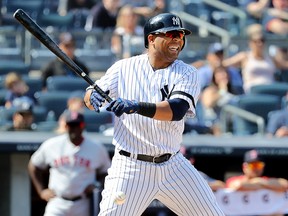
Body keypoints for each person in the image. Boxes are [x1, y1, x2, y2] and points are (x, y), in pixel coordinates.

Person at [84, 13, 225, 215]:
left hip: (173, 165)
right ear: (151, 38)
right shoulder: (123, 68)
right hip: (130, 166)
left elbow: (176, 110)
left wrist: (136, 106)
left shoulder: (187, 72)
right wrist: (91, 97)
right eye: (171, 34)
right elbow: (91, 95)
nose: (178, 39)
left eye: (181, 35)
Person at [28, 110, 111, 216]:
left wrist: (97, 185)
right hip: (57, 202)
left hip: (83, 203)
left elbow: (107, 172)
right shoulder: (52, 145)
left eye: (78, 125)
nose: (74, 128)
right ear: (66, 126)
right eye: (71, 125)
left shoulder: (96, 148)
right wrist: (41, 191)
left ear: (83, 126)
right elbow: (34, 165)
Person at [223, 24, 288, 93]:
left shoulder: (271, 58)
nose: (259, 44)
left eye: (262, 41)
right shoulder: (245, 56)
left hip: (271, 92)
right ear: (250, 42)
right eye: (256, 41)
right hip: (253, 92)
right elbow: (225, 64)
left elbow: (285, 65)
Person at [200, 65, 240, 135]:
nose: (224, 75)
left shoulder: (234, 91)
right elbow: (208, 104)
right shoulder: (210, 90)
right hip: (215, 127)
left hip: (232, 126)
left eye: (225, 73)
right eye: (220, 73)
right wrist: (222, 91)